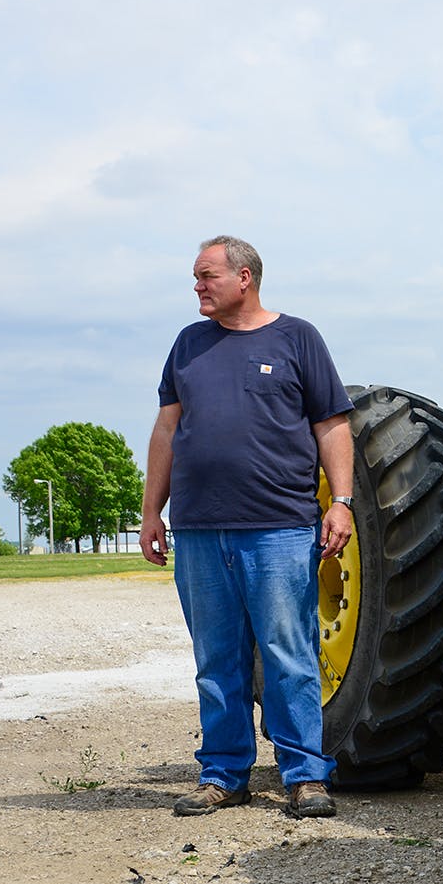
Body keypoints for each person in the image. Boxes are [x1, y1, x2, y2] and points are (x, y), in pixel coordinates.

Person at [140, 235, 355, 819]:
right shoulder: (188, 345)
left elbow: (331, 425)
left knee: (289, 653)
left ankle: (305, 775)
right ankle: (224, 774)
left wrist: (342, 501)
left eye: (206, 275)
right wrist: (150, 511)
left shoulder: (297, 338)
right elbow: (166, 431)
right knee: (216, 658)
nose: (197, 286)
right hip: (201, 531)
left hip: (279, 527)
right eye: (195, 277)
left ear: (245, 278)